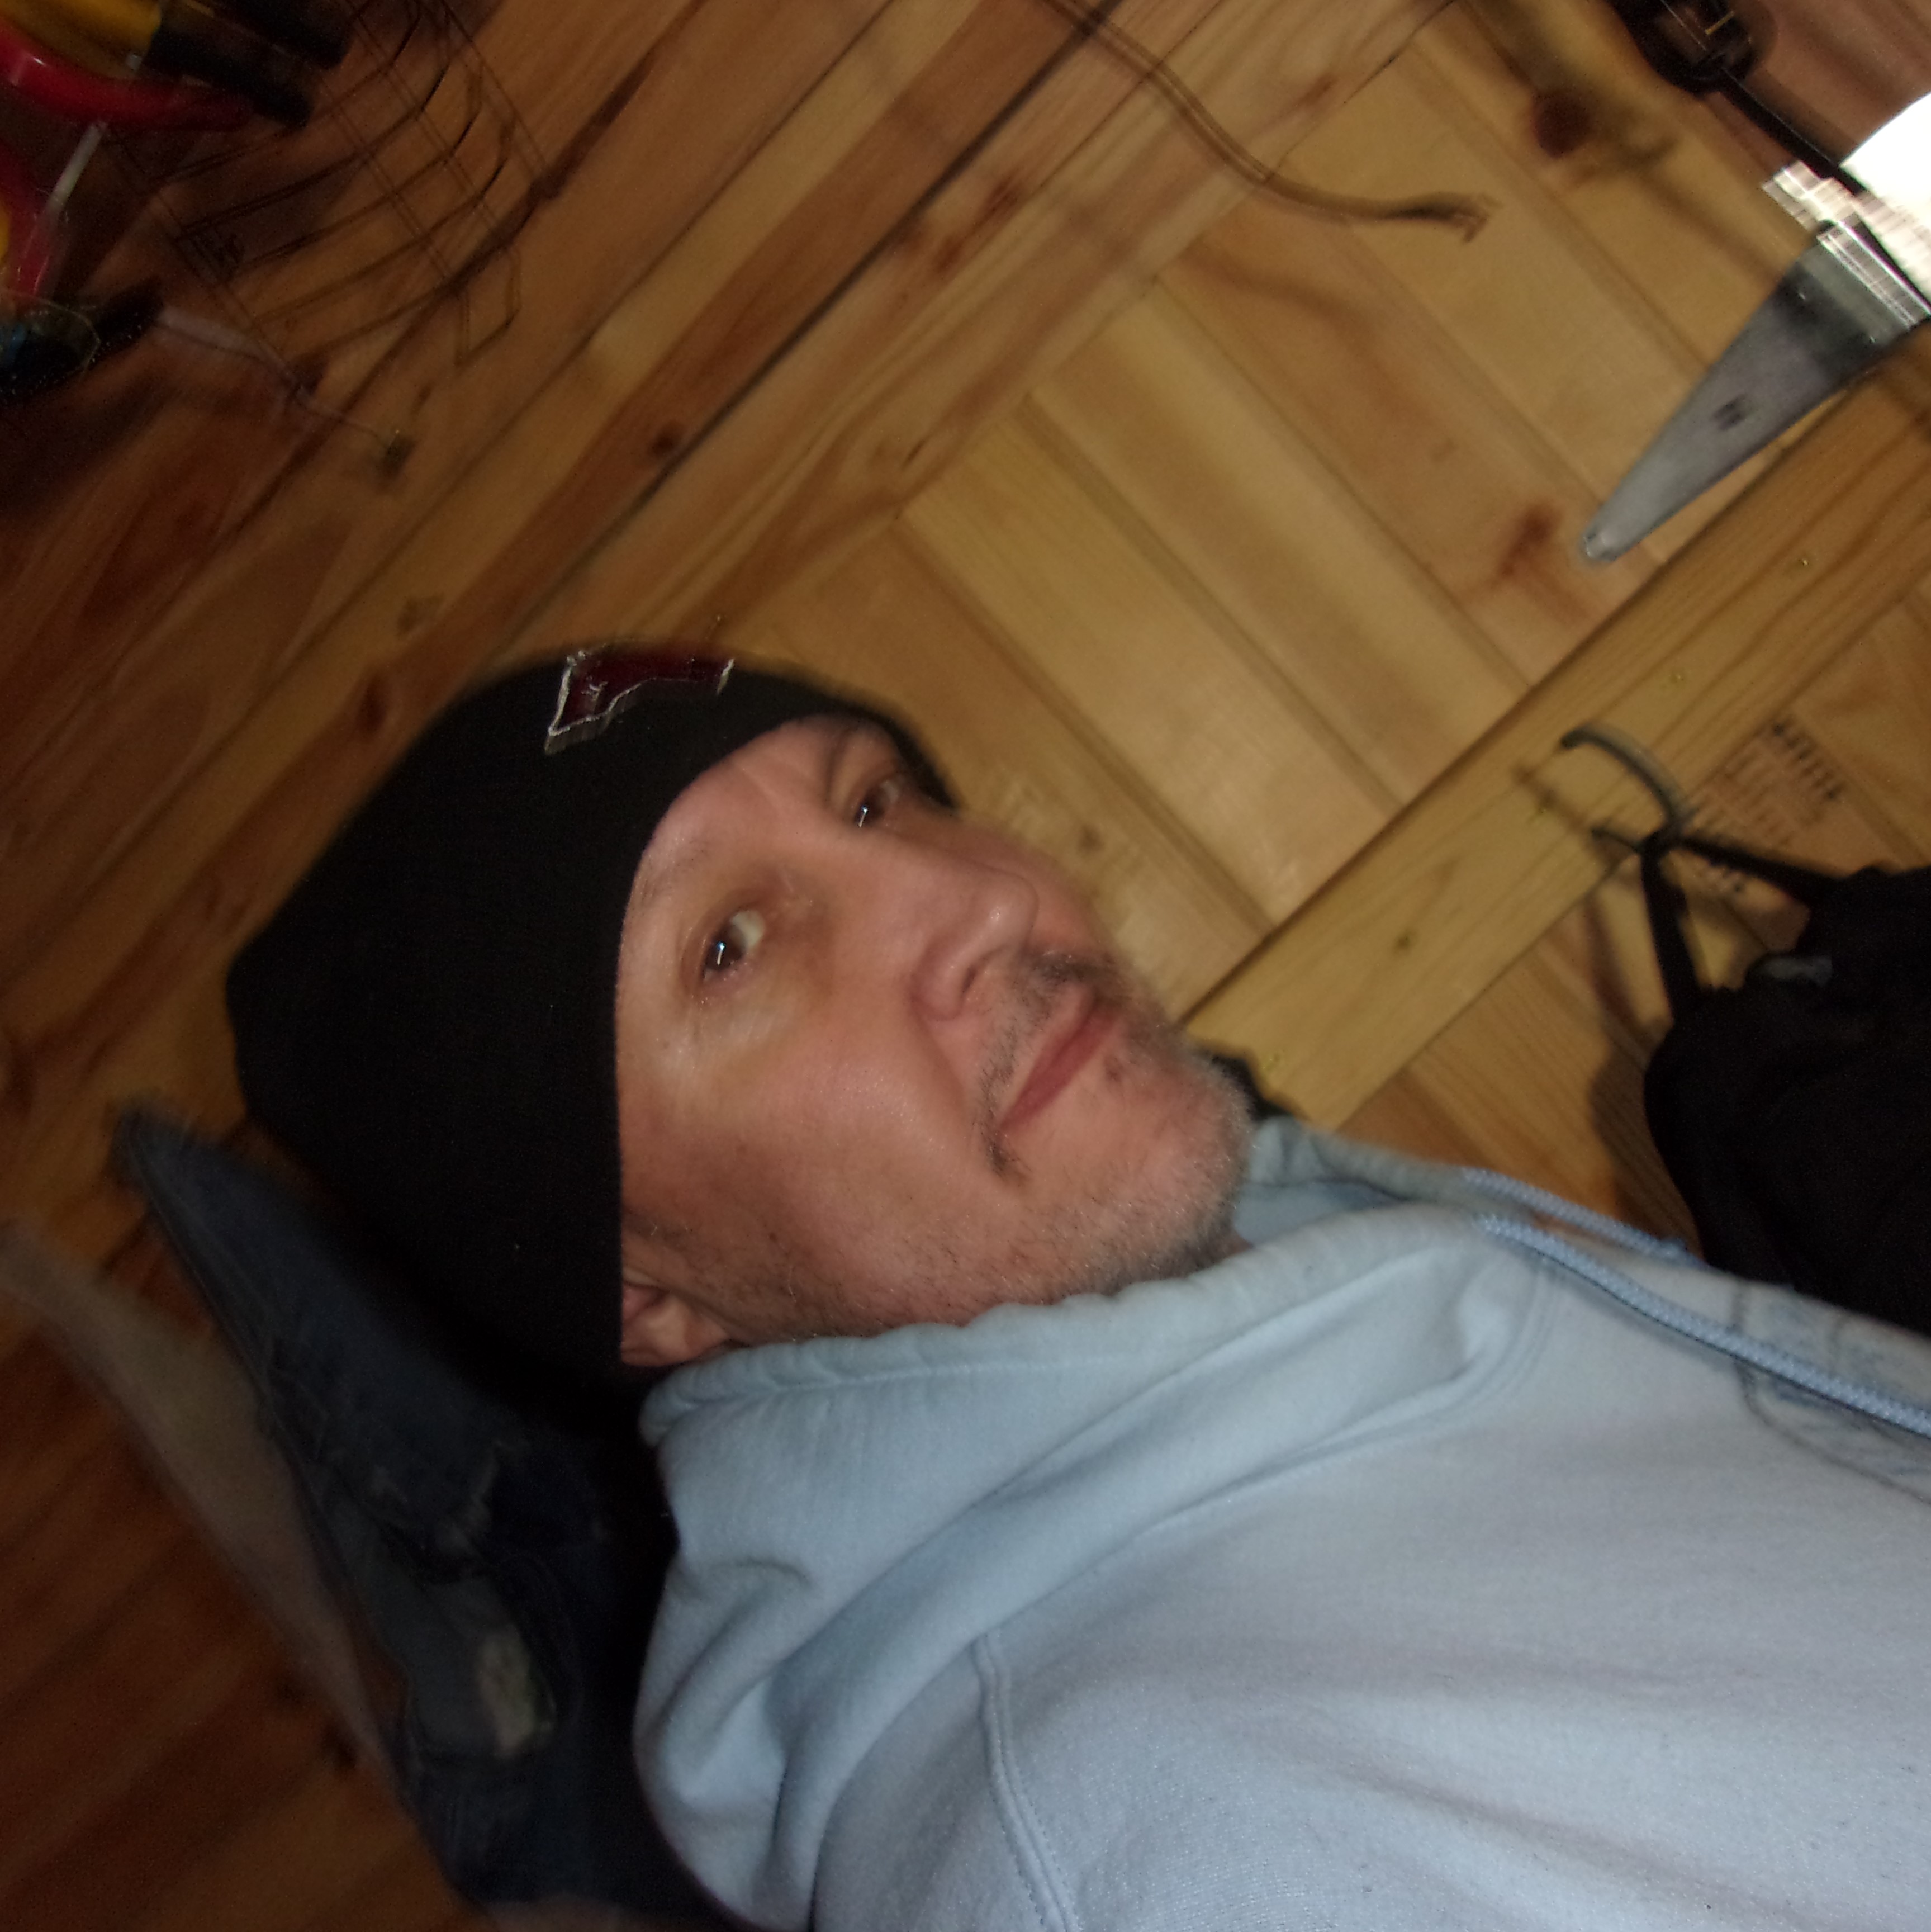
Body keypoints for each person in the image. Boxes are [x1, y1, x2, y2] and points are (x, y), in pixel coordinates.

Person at [229, 645, 1931, 1932]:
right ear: (648, 1291)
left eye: (876, 800)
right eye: (729, 949)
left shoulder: (1265, 1226)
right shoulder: (1167, 1848)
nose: (984, 896)